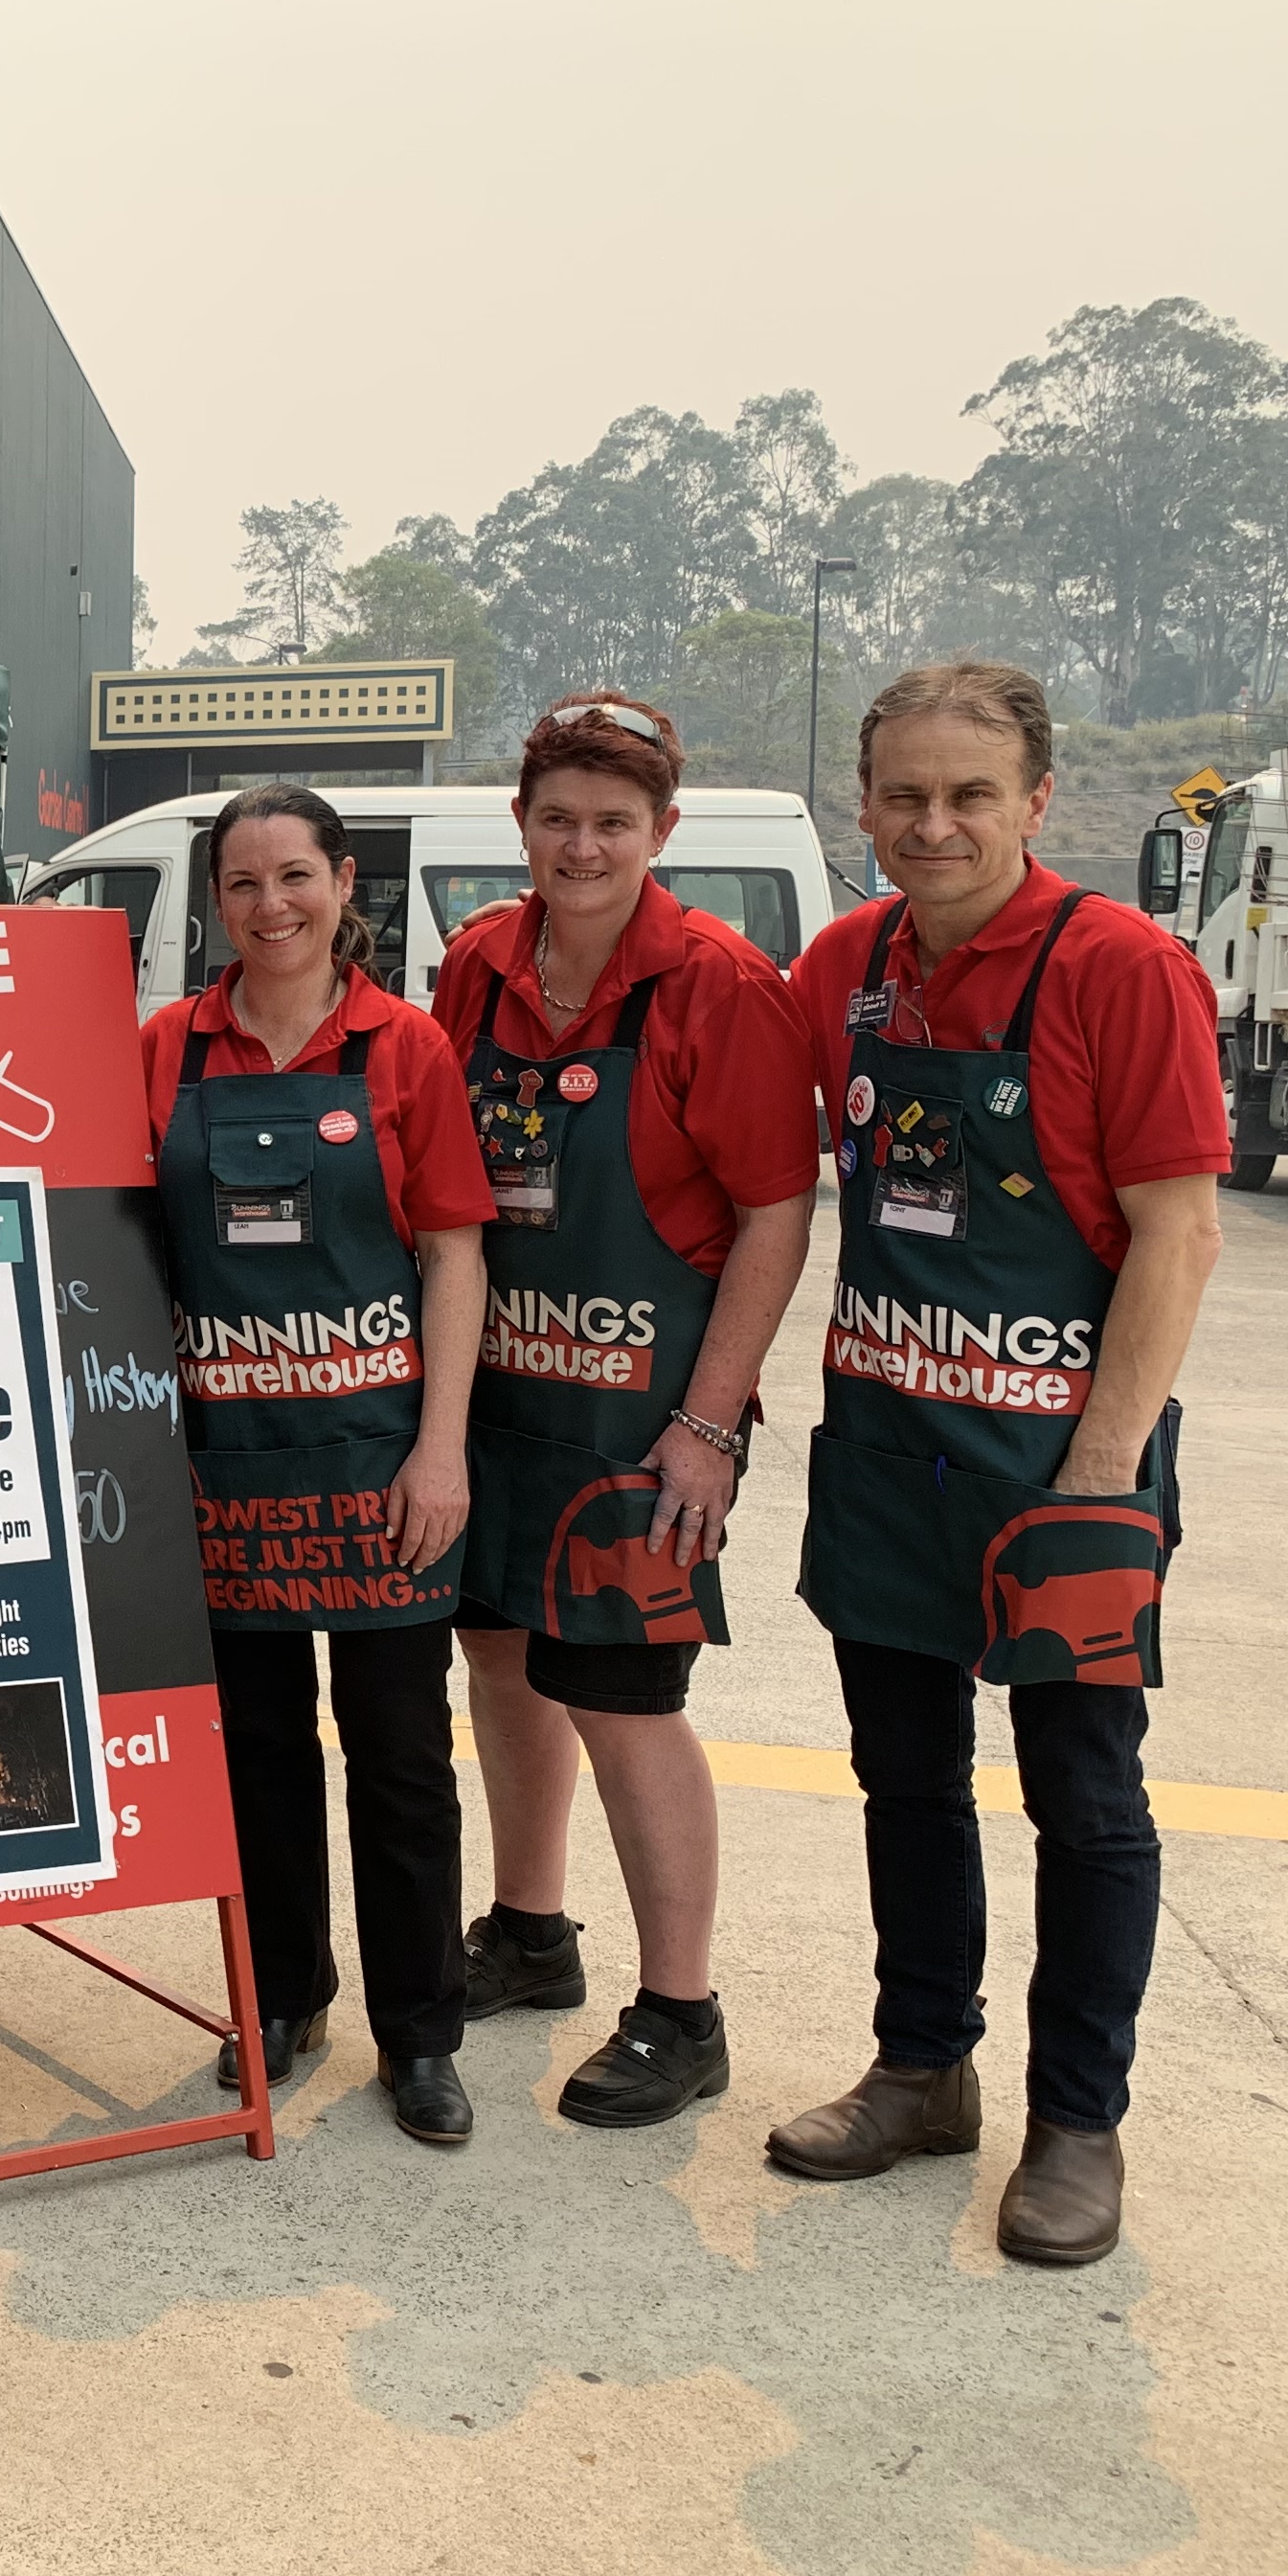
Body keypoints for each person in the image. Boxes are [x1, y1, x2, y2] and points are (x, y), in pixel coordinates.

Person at [767, 662, 1224, 2268]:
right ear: (866, 805)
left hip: (1061, 1466)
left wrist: (1100, 1479)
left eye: (970, 794)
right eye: (902, 795)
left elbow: (1179, 1235)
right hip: (890, 1454)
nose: (933, 824)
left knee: (1084, 1799)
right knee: (906, 1778)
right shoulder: (840, 970)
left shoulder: (1124, 970)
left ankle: (1078, 2122)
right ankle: (922, 2071)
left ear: (1038, 801)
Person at [432, 695, 821, 2131]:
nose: (581, 846)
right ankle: (528, 1931)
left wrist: (708, 1425)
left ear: (664, 831)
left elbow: (777, 1219)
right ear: (519, 824)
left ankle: (682, 2007)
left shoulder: (723, 987)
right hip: (495, 1389)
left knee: (625, 1695)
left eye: (614, 822)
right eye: (557, 818)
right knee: (501, 1660)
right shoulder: (478, 962)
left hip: (641, 1417)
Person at [146, 786, 492, 2144]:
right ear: (217, 902)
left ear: (345, 884)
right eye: (243, 884)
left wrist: (442, 1450)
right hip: (223, 1467)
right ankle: (280, 1995)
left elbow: (457, 1251)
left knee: (402, 1753)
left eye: (297, 876)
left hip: (380, 1464)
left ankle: (423, 2032)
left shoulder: (406, 1049)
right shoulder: (166, 1049)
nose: (271, 906)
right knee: (261, 1754)